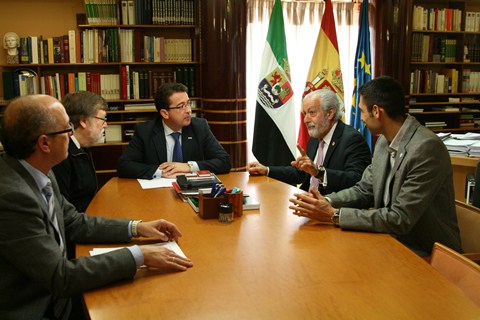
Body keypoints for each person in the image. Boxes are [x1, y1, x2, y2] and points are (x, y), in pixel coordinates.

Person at [0, 94, 193, 319]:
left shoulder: (38, 170)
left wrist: (137, 228)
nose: (72, 135)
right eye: (66, 129)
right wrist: (138, 255)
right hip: (43, 308)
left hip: (58, 297)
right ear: (44, 143)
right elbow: (60, 277)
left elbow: (73, 221)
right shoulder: (13, 197)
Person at [289, 76, 462, 256]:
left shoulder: (426, 148)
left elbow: (400, 218)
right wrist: (326, 201)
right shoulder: (383, 142)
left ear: (377, 111)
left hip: (426, 253)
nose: (361, 118)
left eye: (362, 111)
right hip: (389, 241)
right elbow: (364, 190)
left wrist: (335, 214)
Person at [248, 88, 371, 195]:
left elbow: (357, 180)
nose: (306, 119)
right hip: (306, 203)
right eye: (305, 113)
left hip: (331, 208)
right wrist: (266, 170)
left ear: (329, 113)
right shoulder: (315, 137)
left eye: (311, 113)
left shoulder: (352, 139)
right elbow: (302, 173)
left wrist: (319, 172)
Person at [117, 82, 231, 179]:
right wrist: (161, 172)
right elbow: (124, 165)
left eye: (188, 104)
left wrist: (189, 167)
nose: (189, 110)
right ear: (165, 113)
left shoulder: (199, 127)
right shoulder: (145, 131)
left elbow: (224, 161)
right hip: (156, 195)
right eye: (181, 106)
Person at [52, 91, 107, 213]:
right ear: (83, 121)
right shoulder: (61, 155)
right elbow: (63, 212)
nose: (106, 125)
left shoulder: (82, 148)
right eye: (102, 119)